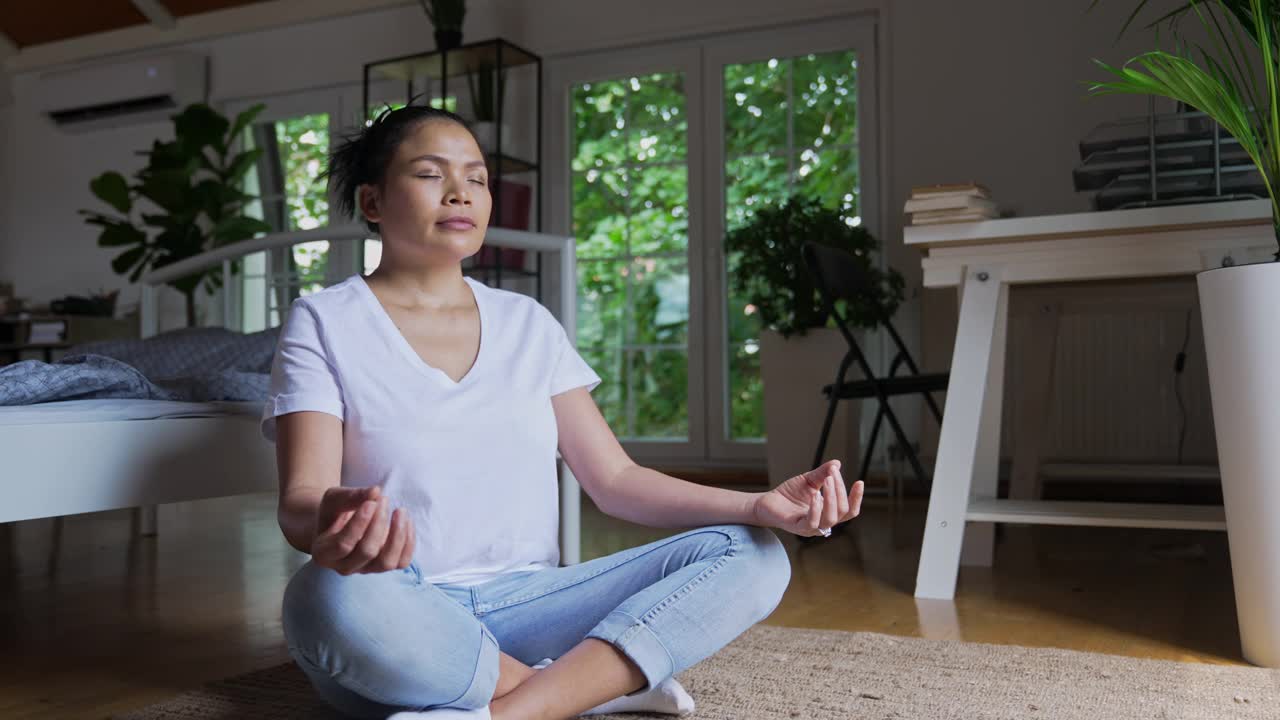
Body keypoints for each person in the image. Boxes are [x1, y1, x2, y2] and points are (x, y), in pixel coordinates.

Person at [262, 105, 865, 720]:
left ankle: (513, 711)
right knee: (319, 598)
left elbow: (616, 482)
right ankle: (591, 692)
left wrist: (757, 505)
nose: (459, 193)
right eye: (429, 174)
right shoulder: (324, 321)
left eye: (477, 178)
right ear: (372, 201)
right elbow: (299, 503)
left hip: (535, 605)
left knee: (755, 553)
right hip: (400, 613)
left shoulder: (528, 324)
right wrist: (332, 519)